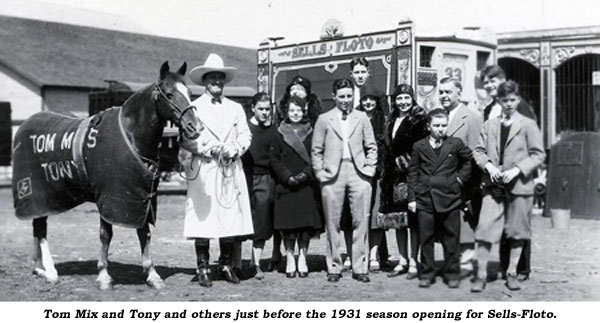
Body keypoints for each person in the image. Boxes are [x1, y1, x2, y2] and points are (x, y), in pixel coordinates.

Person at [180, 53, 253, 288]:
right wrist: (208, 149)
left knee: (229, 217)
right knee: (203, 217)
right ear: (204, 81)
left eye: (220, 78)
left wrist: (234, 148)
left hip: (229, 168)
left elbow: (245, 135)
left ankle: (226, 265)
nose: (217, 82)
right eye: (212, 78)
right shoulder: (194, 108)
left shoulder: (236, 108)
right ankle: (202, 266)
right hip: (205, 168)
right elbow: (187, 138)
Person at [471, 81, 545, 292]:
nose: (509, 104)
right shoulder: (489, 125)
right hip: (493, 184)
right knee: (484, 229)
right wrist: (488, 166)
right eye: (505, 100)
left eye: (513, 100)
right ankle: (481, 274)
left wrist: (518, 169)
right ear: (499, 101)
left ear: (518, 100)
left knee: (518, 230)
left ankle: (512, 272)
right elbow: (478, 150)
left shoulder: (528, 124)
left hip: (519, 185)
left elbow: (538, 154)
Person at [311, 78, 378, 283]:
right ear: (334, 97)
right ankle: (334, 267)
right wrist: (321, 173)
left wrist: (369, 169)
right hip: (333, 174)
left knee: (361, 221)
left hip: (358, 173)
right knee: (333, 222)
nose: (346, 100)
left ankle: (360, 267)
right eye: (342, 96)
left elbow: (372, 146)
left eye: (349, 96)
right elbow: (316, 150)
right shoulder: (324, 119)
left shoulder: (362, 118)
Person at [481, 65, 536, 281]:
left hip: (517, 171)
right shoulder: (489, 109)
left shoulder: (520, 105)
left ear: (503, 81)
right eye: (486, 82)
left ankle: (522, 268)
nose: (489, 85)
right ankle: (506, 266)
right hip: (497, 173)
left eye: (493, 81)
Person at [407, 108, 473, 289]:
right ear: (428, 126)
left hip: (450, 197)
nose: (440, 129)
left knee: (451, 238)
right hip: (425, 198)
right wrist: (412, 198)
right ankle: (427, 273)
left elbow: (469, 160)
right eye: (436, 125)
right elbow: (412, 172)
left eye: (444, 125)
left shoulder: (455, 144)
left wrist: (459, 179)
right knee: (426, 238)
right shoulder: (419, 146)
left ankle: (452, 273)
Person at [342, 57, 390, 270]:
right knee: (353, 211)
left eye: (363, 72)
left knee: (375, 210)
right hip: (352, 165)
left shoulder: (379, 98)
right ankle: (354, 253)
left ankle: (377, 254)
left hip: (375, 167)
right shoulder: (348, 98)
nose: (360, 75)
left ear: (368, 73)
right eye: (356, 72)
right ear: (352, 74)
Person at [269, 96, 324, 278]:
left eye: (298, 110)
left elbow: (317, 155)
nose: (295, 113)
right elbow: (274, 158)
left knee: (304, 226)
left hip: (306, 184)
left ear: (304, 111)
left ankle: (303, 257)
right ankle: (290, 257)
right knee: (288, 225)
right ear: (286, 111)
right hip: (286, 185)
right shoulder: (279, 132)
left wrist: (305, 175)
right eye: (292, 110)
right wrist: (287, 177)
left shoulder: (312, 131)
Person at [379, 84, 428, 279]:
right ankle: (403, 260)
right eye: (399, 98)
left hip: (411, 176)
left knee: (413, 221)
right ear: (395, 100)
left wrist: (407, 163)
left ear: (412, 98)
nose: (403, 102)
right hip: (393, 177)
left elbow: (421, 147)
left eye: (407, 97)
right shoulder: (391, 120)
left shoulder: (418, 120)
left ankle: (415, 262)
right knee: (399, 220)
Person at [438, 77, 483, 272]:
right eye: (441, 92)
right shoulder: (439, 116)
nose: (444, 96)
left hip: (463, 179)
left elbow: (476, 152)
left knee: (463, 218)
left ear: (459, 93)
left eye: (448, 92)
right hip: (442, 180)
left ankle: (466, 255)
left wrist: (467, 181)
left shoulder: (470, 117)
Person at [241, 92, 281, 279]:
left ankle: (255, 262)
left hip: (265, 177)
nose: (265, 113)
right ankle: (233, 261)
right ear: (253, 108)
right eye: (261, 109)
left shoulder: (274, 130)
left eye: (268, 109)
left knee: (262, 217)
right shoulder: (245, 128)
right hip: (244, 177)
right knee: (240, 216)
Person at [354, 88, 390, 273]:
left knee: (375, 214)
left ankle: (374, 254)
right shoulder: (355, 118)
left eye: (371, 99)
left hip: (378, 173)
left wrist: (378, 166)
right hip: (357, 172)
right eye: (365, 99)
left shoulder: (384, 121)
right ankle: (358, 253)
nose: (368, 102)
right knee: (358, 214)